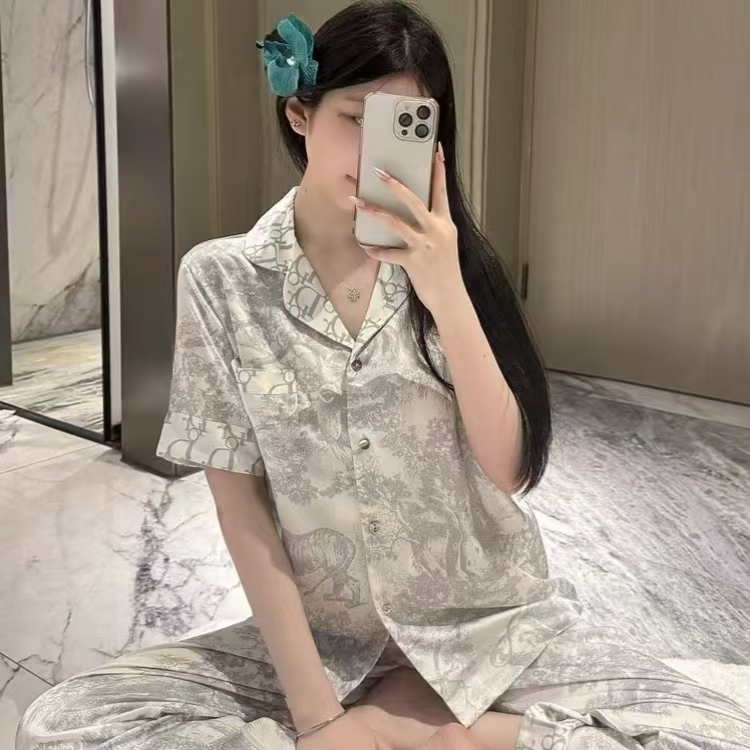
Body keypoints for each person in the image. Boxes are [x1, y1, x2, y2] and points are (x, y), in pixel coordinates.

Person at [16, 2, 750, 749]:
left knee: (719, 736)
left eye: (405, 125)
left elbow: (509, 471)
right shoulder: (222, 279)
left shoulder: (457, 269)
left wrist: (445, 286)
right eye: (355, 117)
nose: (376, 150)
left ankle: (442, 733)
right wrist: (318, 718)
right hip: (330, 640)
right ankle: (417, 724)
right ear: (300, 113)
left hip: (490, 628)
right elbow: (241, 509)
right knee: (65, 724)